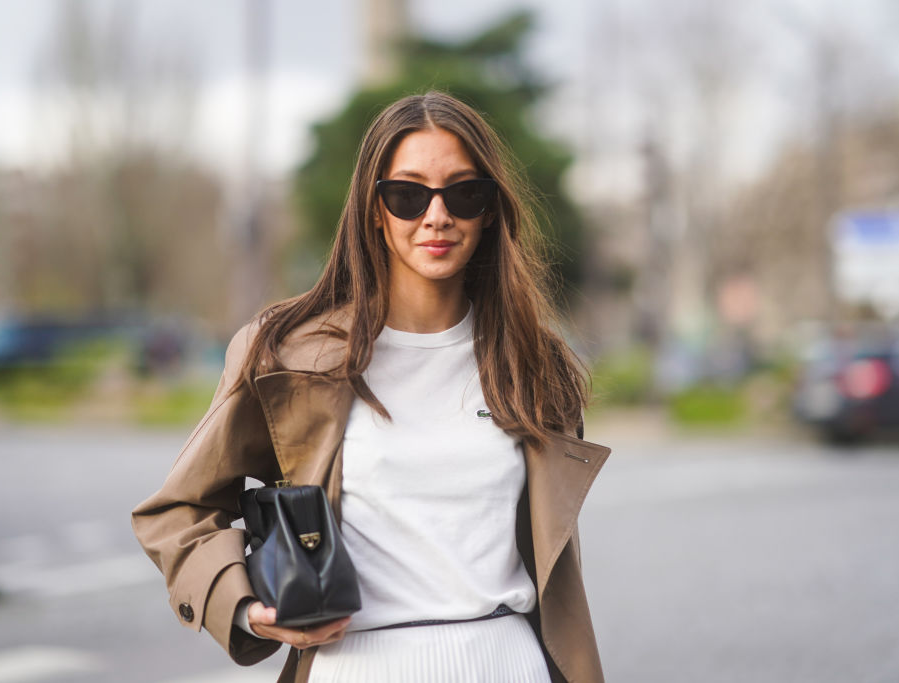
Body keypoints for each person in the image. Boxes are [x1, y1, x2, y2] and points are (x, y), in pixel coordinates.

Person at [132, 90, 611, 683]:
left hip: (508, 662)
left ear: (490, 209)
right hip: (357, 665)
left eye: (464, 192)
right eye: (407, 195)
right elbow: (178, 511)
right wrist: (250, 610)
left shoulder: (533, 364)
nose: (437, 216)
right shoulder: (290, 356)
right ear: (373, 210)